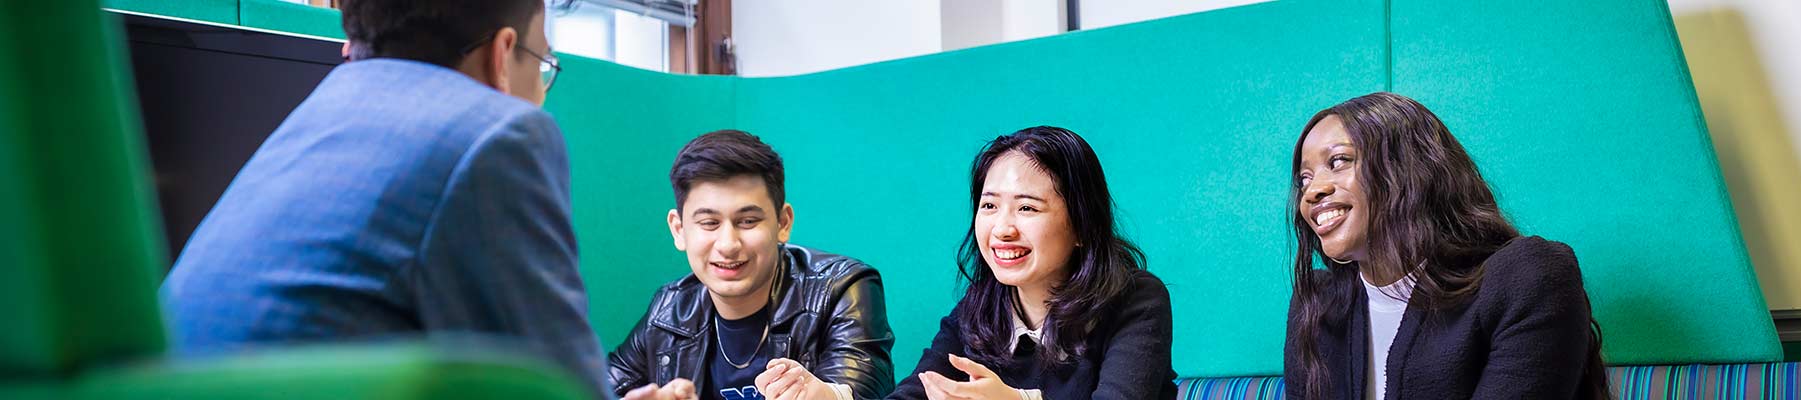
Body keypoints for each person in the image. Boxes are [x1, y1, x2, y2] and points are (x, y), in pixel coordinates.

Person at [159, 0, 601, 393]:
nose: (542, 90)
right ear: (503, 54)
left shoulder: (320, 112)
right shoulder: (498, 133)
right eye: (542, 64)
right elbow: (562, 386)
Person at [761, 126, 1178, 400]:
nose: (1002, 229)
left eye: (1028, 209)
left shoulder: (1136, 300)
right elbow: (915, 394)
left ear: (1082, 224)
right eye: (989, 206)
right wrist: (828, 396)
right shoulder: (980, 309)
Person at [1282, 92, 1610, 399]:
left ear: (1409, 167)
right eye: (1305, 179)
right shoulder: (1318, 304)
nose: (1312, 192)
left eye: (1338, 161)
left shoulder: (1528, 277)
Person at [606, 130, 895, 400]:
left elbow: (864, 385)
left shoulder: (841, 288)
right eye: (709, 223)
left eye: (748, 221)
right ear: (679, 230)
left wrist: (827, 395)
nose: (728, 244)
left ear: (783, 223)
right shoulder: (669, 310)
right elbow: (604, 384)